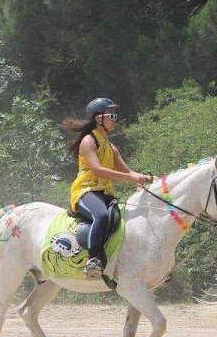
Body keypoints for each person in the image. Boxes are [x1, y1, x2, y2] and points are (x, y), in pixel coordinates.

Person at [62, 98, 153, 279]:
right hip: (85, 191)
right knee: (101, 215)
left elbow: (127, 172)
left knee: (122, 220)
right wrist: (131, 178)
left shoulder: (111, 147)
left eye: (115, 115)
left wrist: (148, 179)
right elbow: (98, 170)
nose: (115, 119)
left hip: (105, 193)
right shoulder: (88, 141)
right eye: (111, 115)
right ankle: (94, 259)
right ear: (98, 119)